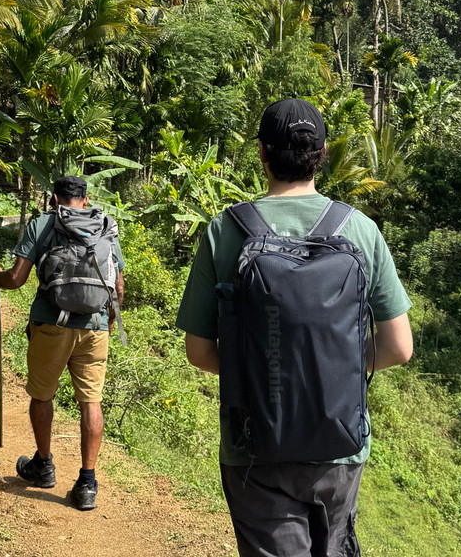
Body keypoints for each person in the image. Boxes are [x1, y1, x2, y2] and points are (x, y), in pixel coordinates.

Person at [176, 99, 414, 556]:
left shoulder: (225, 229)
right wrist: (331, 371)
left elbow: (199, 351)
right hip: (338, 445)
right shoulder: (361, 229)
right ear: (321, 154)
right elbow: (399, 347)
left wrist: (266, 377)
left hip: (254, 448)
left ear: (262, 153)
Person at [0, 175, 125, 511]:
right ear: (86, 198)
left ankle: (44, 466)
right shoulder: (105, 225)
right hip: (95, 328)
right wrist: (108, 321)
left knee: (42, 395)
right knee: (91, 402)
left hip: (52, 325)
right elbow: (118, 286)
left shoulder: (43, 224)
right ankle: (87, 483)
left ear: (54, 198)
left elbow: (16, 278)